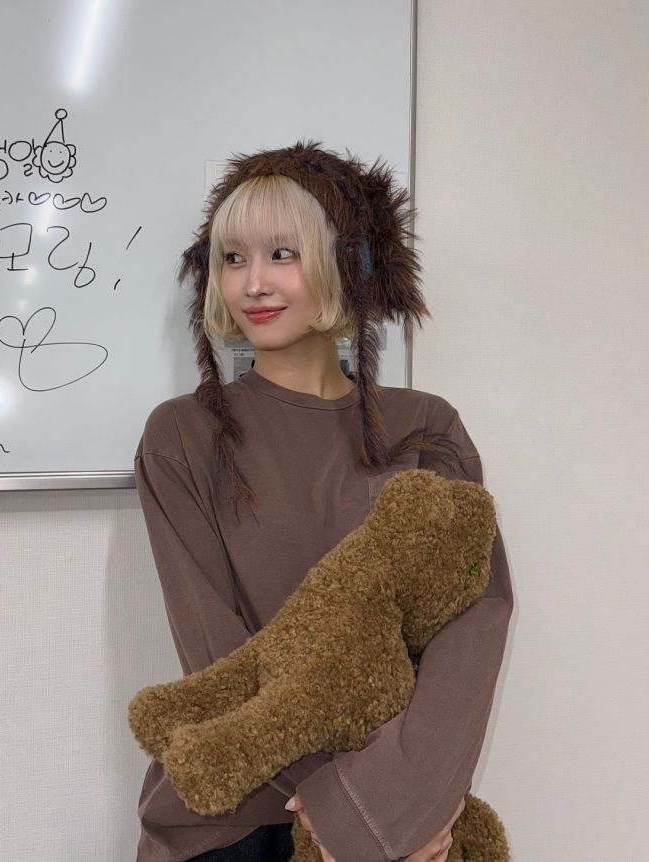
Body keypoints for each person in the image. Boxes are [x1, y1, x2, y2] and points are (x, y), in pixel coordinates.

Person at [132, 141, 513, 862]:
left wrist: (390, 806)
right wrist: (345, 813)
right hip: (234, 820)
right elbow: (219, 654)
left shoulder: (425, 426)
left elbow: (473, 625)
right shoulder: (182, 435)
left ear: (346, 263)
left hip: (399, 816)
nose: (253, 282)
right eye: (232, 258)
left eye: (283, 253)